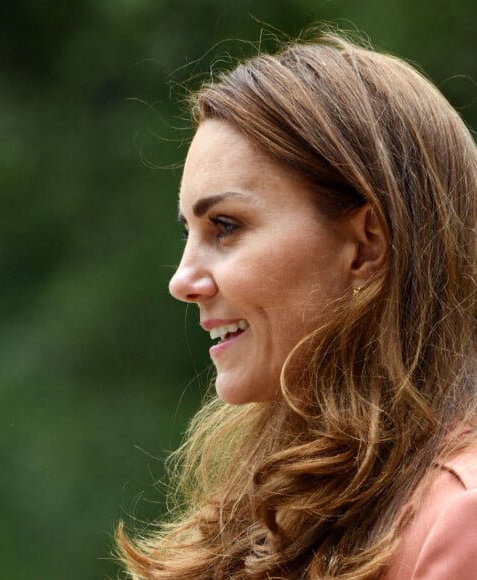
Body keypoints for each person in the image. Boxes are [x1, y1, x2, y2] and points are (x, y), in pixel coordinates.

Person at [117, 29, 477, 579]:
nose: (183, 280)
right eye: (187, 230)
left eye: (226, 226)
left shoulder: (459, 516)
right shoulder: (281, 507)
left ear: (366, 245)